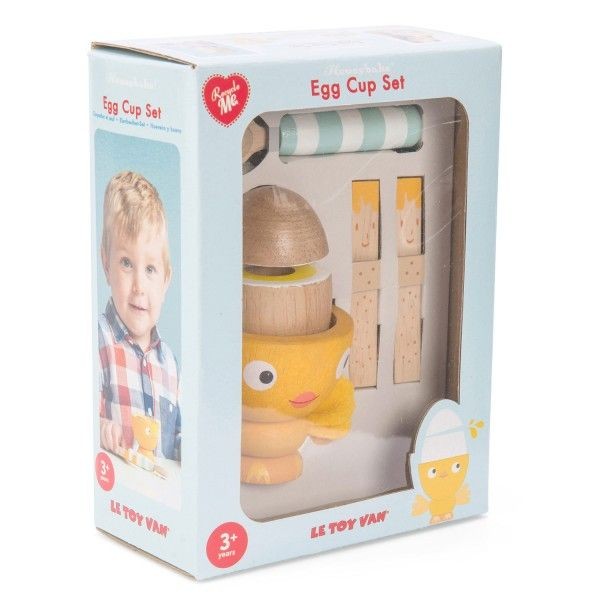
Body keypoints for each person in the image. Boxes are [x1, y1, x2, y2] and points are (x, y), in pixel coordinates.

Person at [98, 171, 181, 461]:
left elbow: (178, 435)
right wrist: (100, 427)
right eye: (126, 263)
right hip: (117, 483)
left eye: (150, 269)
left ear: (166, 280)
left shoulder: (170, 363)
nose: (139, 286)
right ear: (106, 264)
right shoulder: (100, 340)